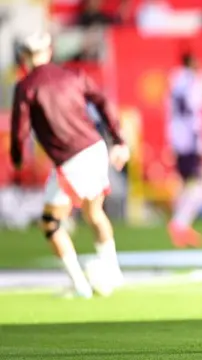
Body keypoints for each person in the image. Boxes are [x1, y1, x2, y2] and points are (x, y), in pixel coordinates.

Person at [10, 33, 130, 298]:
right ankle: (113, 271)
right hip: (95, 148)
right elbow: (104, 102)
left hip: (70, 158)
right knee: (94, 212)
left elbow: (19, 132)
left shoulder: (27, 86)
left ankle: (79, 284)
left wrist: (17, 159)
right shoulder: (73, 75)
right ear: (49, 51)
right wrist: (120, 140)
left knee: (50, 224)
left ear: (25, 56)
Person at [166, 52, 202, 248]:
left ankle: (180, 225)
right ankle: (180, 223)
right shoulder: (190, 83)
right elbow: (193, 114)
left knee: (186, 185)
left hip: (178, 139)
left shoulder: (175, 82)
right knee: (197, 186)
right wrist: (200, 141)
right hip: (189, 140)